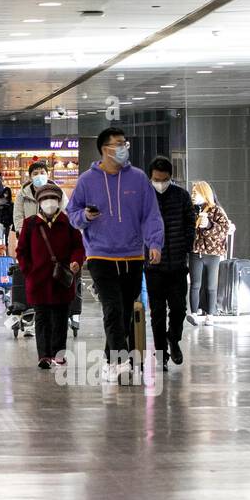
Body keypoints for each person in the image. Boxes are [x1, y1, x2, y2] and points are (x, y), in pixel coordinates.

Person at [66, 127, 164, 379]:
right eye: (118, 144)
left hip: (132, 254)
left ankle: (111, 361)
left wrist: (154, 243)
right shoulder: (87, 180)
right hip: (100, 255)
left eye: (125, 143)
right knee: (112, 307)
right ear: (105, 149)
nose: (123, 148)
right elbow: (72, 214)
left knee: (125, 310)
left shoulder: (139, 178)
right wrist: (85, 216)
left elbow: (151, 214)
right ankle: (120, 360)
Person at [16, 183, 84, 369]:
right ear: (39, 202)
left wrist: (76, 262)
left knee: (61, 319)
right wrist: (27, 270)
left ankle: (59, 354)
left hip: (61, 280)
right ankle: (44, 355)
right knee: (42, 319)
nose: (49, 202)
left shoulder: (68, 223)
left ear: (59, 201)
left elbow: (78, 247)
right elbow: (21, 251)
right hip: (38, 281)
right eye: (45, 199)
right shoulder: (30, 224)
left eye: (53, 198)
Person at [146, 158, 195, 368]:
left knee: (179, 308)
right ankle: (161, 353)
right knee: (157, 312)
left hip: (177, 264)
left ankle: (173, 338)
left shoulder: (181, 195)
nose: (160, 183)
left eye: (164, 179)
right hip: (153, 266)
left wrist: (185, 246)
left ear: (170, 177)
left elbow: (190, 222)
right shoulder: (144, 197)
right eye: (157, 179)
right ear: (151, 177)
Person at [188, 180, 232, 320]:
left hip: (212, 254)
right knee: (195, 284)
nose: (193, 195)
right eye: (192, 192)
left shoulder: (216, 211)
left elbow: (224, 230)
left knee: (211, 286)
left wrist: (208, 225)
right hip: (195, 252)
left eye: (196, 192)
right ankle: (194, 313)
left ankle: (210, 315)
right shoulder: (190, 210)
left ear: (204, 193)